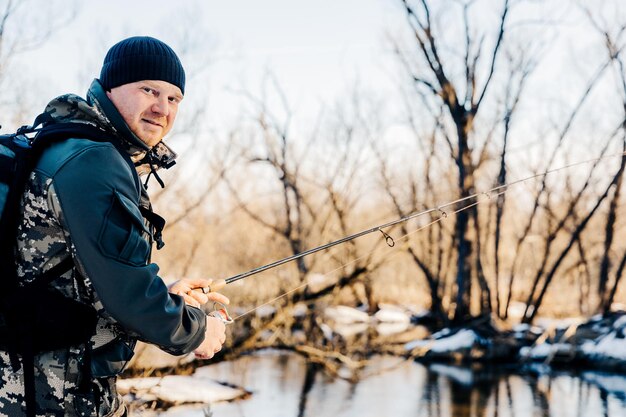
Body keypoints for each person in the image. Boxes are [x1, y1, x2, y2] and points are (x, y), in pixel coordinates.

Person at [0, 36, 228, 416]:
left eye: (174, 99)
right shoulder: (96, 160)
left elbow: (75, 279)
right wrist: (198, 331)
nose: (162, 109)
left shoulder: (65, 143)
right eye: (149, 90)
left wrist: (165, 293)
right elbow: (129, 299)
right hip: (54, 395)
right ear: (109, 88)